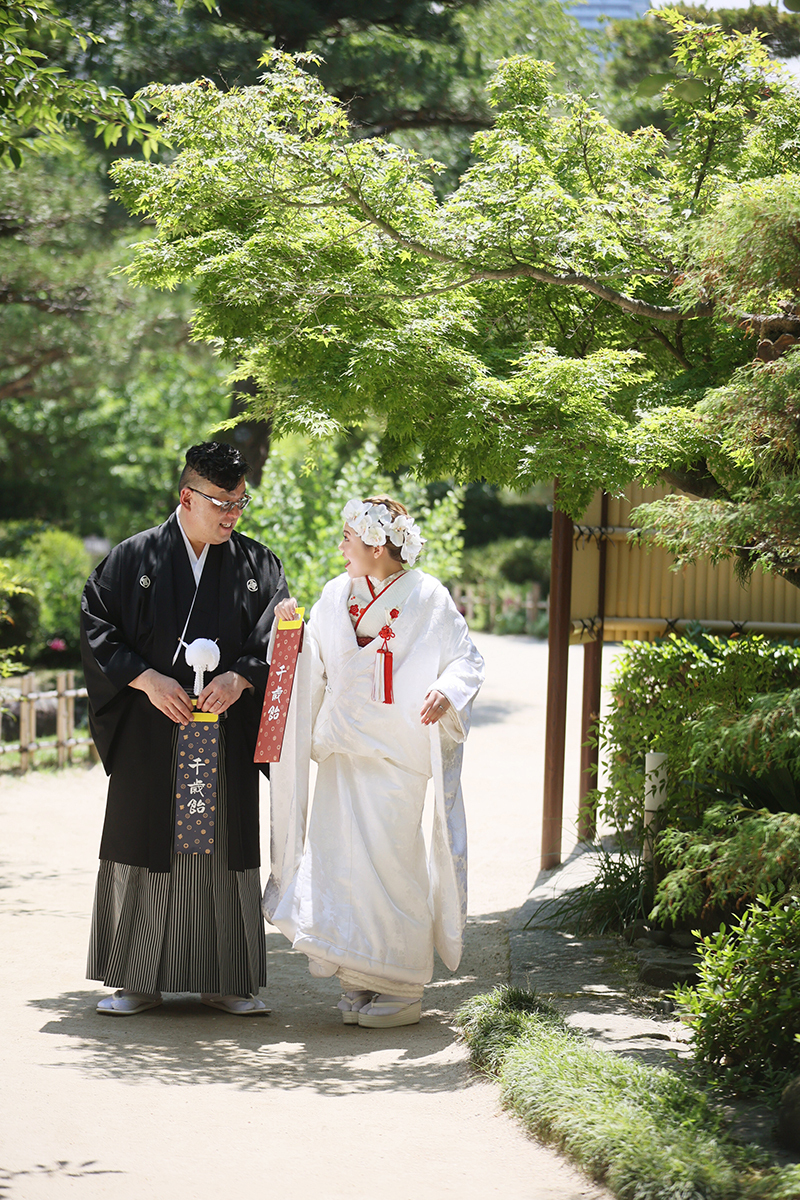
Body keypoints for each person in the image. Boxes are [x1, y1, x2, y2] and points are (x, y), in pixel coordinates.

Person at [81, 442, 288, 1016]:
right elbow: (97, 626)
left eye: (239, 504)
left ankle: (224, 980)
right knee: (145, 841)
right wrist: (145, 678)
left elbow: (279, 634)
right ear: (186, 497)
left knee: (220, 846)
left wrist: (243, 679)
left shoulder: (257, 566)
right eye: (220, 503)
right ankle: (136, 979)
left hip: (221, 732)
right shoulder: (133, 559)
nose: (231, 516)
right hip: (152, 733)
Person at [265, 496, 485, 1028]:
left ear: (377, 545)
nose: (341, 546)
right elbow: (311, 657)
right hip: (344, 752)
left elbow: (466, 659)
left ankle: (404, 983)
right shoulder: (335, 594)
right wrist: (289, 632)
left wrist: (447, 691)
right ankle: (360, 978)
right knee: (340, 863)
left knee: (393, 864)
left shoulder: (428, 596)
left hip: (395, 754)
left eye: (348, 537)